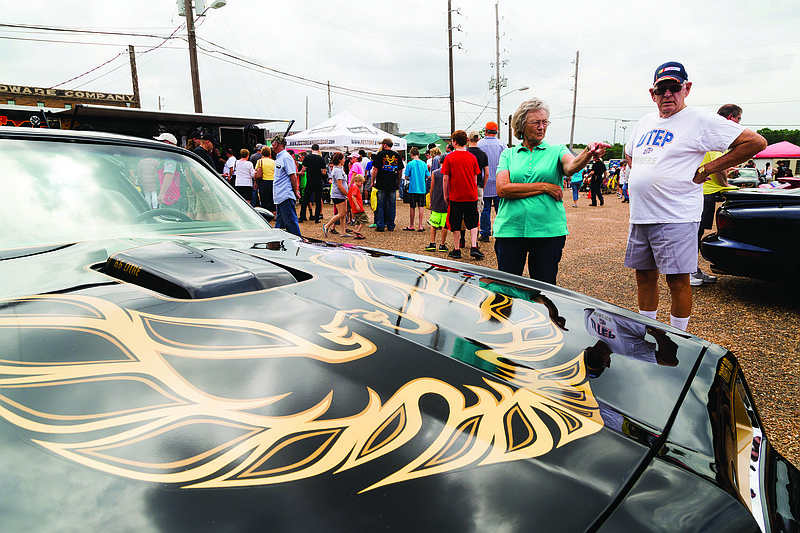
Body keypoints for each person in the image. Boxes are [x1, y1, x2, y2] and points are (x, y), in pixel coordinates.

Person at [624, 61, 766, 331]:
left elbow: (755, 142)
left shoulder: (700, 120)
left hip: (676, 215)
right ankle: (646, 329)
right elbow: (630, 152)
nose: (667, 94)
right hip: (641, 214)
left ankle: (677, 337)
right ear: (652, 94)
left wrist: (708, 169)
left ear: (686, 89)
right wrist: (644, 173)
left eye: (674, 88)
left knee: (677, 280)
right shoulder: (645, 121)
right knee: (644, 276)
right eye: (661, 89)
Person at [495, 97, 610, 284]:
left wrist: (588, 153)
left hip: (548, 232)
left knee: (545, 289)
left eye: (544, 122)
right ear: (522, 125)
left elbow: (571, 166)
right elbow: (503, 189)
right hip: (510, 230)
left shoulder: (557, 150)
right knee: (506, 290)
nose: (542, 127)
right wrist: (544, 186)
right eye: (536, 122)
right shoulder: (508, 154)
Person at [694, 103, 743, 286]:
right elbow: (717, 166)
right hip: (704, 192)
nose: (739, 123)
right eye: (738, 119)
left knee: (694, 233)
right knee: (695, 234)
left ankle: (692, 270)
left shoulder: (708, 132)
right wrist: (727, 185)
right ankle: (690, 272)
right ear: (730, 118)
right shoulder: (717, 135)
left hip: (701, 190)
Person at [441, 130, 484, 260]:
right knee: (472, 221)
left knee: (456, 221)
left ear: (454, 142)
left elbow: (445, 178)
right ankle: (474, 246)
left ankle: (457, 248)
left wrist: (445, 194)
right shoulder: (472, 157)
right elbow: (476, 177)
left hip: (456, 195)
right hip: (471, 194)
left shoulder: (449, 157)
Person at [478, 121, 505, 242]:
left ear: (486, 131)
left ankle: (485, 234)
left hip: (485, 182)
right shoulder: (502, 145)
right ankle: (501, 232)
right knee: (501, 210)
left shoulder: (479, 144)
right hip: (500, 182)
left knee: (485, 210)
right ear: (496, 131)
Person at [270, 134, 302, 237]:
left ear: (276, 143)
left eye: (272, 142)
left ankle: (298, 242)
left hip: (285, 195)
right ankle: (276, 241)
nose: (271, 144)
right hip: (280, 196)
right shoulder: (280, 157)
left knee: (290, 222)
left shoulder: (286, 157)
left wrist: (295, 191)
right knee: (280, 222)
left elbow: (293, 176)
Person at [371, 138, 404, 232]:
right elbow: (400, 171)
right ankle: (390, 225)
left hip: (381, 183)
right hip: (392, 183)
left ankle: (381, 225)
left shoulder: (380, 154)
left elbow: (375, 169)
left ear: (385, 145)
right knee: (392, 205)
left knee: (380, 204)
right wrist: (398, 182)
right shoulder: (397, 155)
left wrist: (373, 181)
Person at [424, 147, 450, 252]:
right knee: (444, 224)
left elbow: (432, 187)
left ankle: (432, 243)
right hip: (446, 200)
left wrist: (430, 200)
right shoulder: (450, 173)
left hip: (436, 199)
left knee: (433, 223)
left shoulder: (435, 172)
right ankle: (442, 244)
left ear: (439, 161)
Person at [402, 147, 430, 232]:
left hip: (413, 188)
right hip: (422, 188)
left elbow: (406, 176)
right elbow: (428, 175)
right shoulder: (423, 164)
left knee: (412, 207)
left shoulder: (410, 164)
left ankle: (411, 225)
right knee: (421, 207)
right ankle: (420, 226)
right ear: (418, 154)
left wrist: (410, 178)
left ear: (411, 154)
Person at [299, 144, 327, 222]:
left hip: (310, 181)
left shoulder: (307, 157)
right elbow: (324, 172)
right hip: (318, 181)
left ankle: (302, 217)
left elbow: (303, 169)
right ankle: (317, 218)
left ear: (311, 150)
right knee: (318, 199)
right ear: (318, 150)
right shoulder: (321, 159)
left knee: (305, 199)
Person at [324, 152, 348, 237]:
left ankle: (343, 232)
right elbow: (340, 185)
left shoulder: (339, 169)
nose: (344, 160)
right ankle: (327, 225)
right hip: (338, 194)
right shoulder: (337, 170)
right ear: (339, 160)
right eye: (343, 158)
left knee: (343, 213)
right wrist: (347, 194)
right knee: (341, 213)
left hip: (341, 195)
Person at [348, 174, 368, 240]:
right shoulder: (355, 188)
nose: (361, 184)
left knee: (357, 221)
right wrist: (357, 205)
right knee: (364, 219)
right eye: (361, 183)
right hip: (358, 207)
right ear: (358, 181)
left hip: (354, 208)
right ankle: (358, 231)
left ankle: (357, 235)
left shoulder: (352, 187)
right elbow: (353, 196)